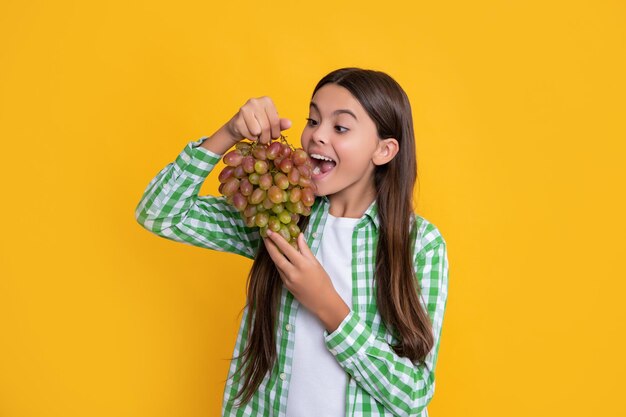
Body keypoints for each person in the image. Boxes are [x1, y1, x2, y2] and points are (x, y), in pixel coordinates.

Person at [135, 67, 449, 417]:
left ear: (384, 150)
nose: (316, 136)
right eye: (313, 120)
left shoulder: (420, 245)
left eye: (340, 127)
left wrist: (328, 305)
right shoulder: (280, 216)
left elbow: (413, 394)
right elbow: (160, 213)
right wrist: (229, 133)